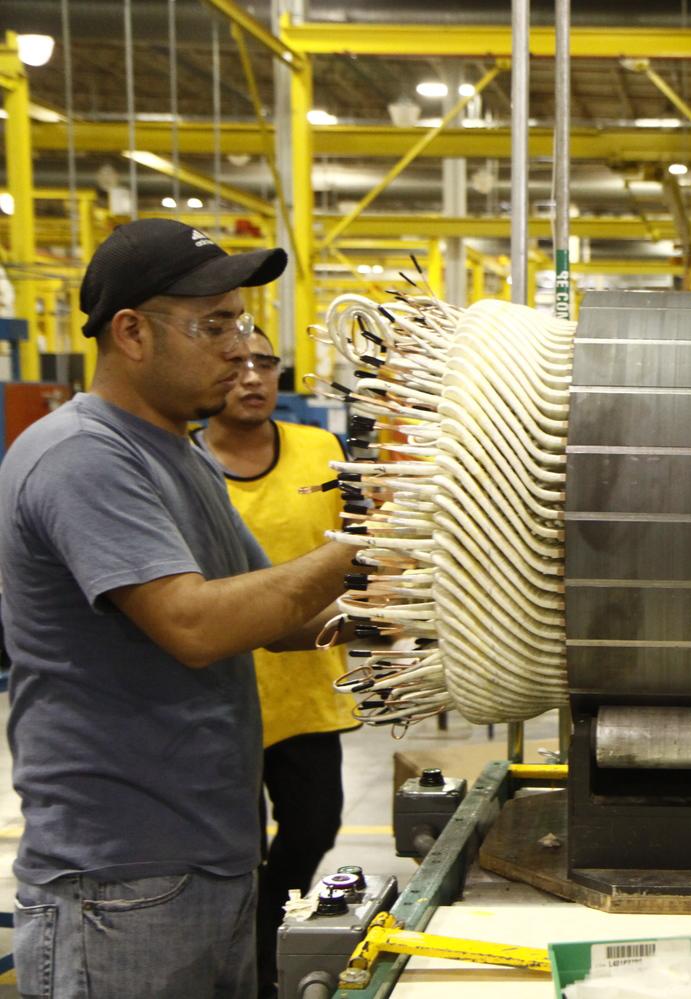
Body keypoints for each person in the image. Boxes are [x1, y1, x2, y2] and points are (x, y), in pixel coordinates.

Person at [0, 219, 358, 999]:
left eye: (243, 322)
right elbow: (194, 625)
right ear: (132, 332)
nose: (240, 348)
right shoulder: (83, 456)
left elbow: (275, 614)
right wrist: (362, 543)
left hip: (209, 860)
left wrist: (421, 606)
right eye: (215, 324)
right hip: (119, 879)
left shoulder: (183, 453)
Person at [191, 328, 356, 998]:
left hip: (306, 688)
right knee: (232, 849)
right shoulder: (185, 464)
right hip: (218, 695)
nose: (253, 376)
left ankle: (265, 936)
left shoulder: (319, 450)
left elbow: (362, 542)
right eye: (238, 363)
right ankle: (249, 970)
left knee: (315, 825)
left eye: (266, 362)